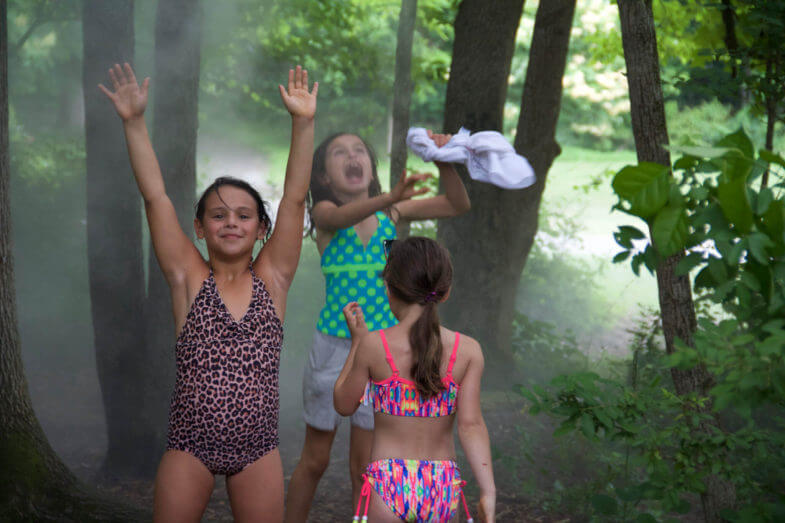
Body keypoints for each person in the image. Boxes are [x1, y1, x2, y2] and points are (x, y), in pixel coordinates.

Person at [99, 62, 317, 522]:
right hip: (189, 444)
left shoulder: (272, 280)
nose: (232, 222)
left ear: (261, 229)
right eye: (218, 215)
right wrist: (135, 122)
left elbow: (295, 198)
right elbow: (156, 197)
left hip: (258, 447)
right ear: (199, 228)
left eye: (243, 214)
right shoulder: (188, 278)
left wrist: (303, 123)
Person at [285, 132, 471, 521]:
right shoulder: (324, 216)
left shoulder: (393, 214)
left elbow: (457, 203)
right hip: (332, 348)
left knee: (365, 469)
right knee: (314, 461)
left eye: (359, 151)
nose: (352, 157)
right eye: (340, 152)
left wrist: (443, 159)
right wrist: (390, 197)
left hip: (383, 353)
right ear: (323, 176)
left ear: (370, 168)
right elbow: (337, 216)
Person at [334, 237, 495, 522]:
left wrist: (358, 342)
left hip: (389, 483)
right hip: (443, 486)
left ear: (389, 289)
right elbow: (471, 426)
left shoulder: (374, 346)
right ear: (445, 292)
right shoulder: (468, 350)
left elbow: (343, 403)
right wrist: (488, 491)